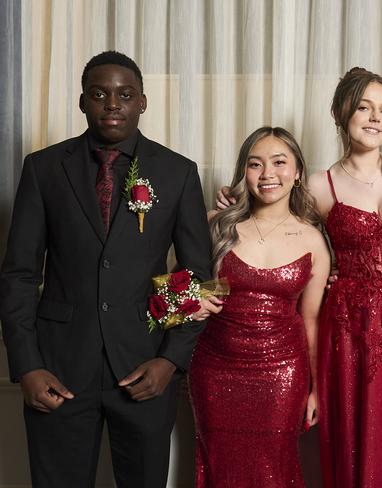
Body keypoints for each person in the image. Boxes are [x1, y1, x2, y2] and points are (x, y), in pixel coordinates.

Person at [216, 68, 382, 488]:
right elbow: (283, 232)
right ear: (340, 113)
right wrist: (234, 201)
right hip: (352, 328)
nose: (375, 118)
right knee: (361, 434)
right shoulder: (319, 184)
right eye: (364, 107)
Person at [0, 51, 215, 487]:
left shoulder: (177, 173)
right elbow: (20, 274)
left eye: (125, 94)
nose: (112, 103)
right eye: (99, 94)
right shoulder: (43, 169)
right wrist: (27, 366)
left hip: (144, 368)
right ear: (82, 102)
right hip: (57, 371)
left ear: (142, 102)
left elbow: (194, 276)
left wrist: (169, 362)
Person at [188, 126, 330, 487]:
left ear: (298, 171)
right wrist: (194, 299)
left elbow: (311, 320)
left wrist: (315, 389)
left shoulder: (313, 239)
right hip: (215, 371)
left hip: (283, 375)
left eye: (279, 162)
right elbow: (194, 292)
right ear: (243, 173)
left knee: (272, 472)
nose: (268, 174)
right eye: (255, 164)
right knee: (221, 469)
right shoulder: (218, 227)